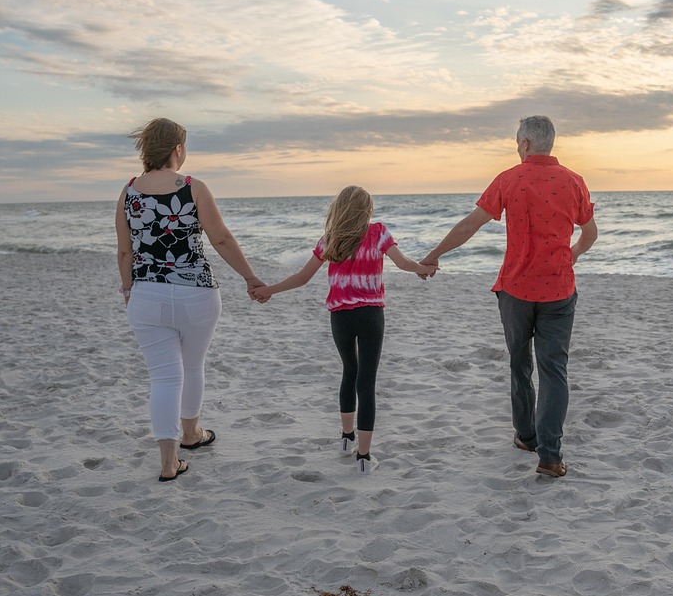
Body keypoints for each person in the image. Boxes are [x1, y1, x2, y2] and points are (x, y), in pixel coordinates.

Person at [422, 116, 596, 478]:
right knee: (554, 370)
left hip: (516, 290)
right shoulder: (574, 182)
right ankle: (550, 455)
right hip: (559, 290)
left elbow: (471, 224)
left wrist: (435, 254)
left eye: (517, 141)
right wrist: (573, 253)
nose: (517, 147)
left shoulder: (508, 179)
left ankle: (526, 436)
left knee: (520, 363)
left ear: (527, 143)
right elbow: (590, 234)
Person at [115, 118, 265, 482]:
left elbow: (124, 252)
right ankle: (191, 435)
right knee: (192, 366)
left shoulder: (129, 191)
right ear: (177, 149)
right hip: (195, 290)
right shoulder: (193, 187)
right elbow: (222, 239)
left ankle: (169, 463)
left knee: (164, 377)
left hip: (147, 293)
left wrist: (129, 290)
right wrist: (250, 277)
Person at [250, 185, 435, 475]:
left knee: (350, 371)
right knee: (367, 380)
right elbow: (403, 263)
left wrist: (269, 290)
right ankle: (364, 457)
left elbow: (302, 277)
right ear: (367, 210)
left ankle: (347, 440)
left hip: (341, 317)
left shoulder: (330, 239)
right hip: (371, 315)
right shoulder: (378, 232)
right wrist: (422, 269)